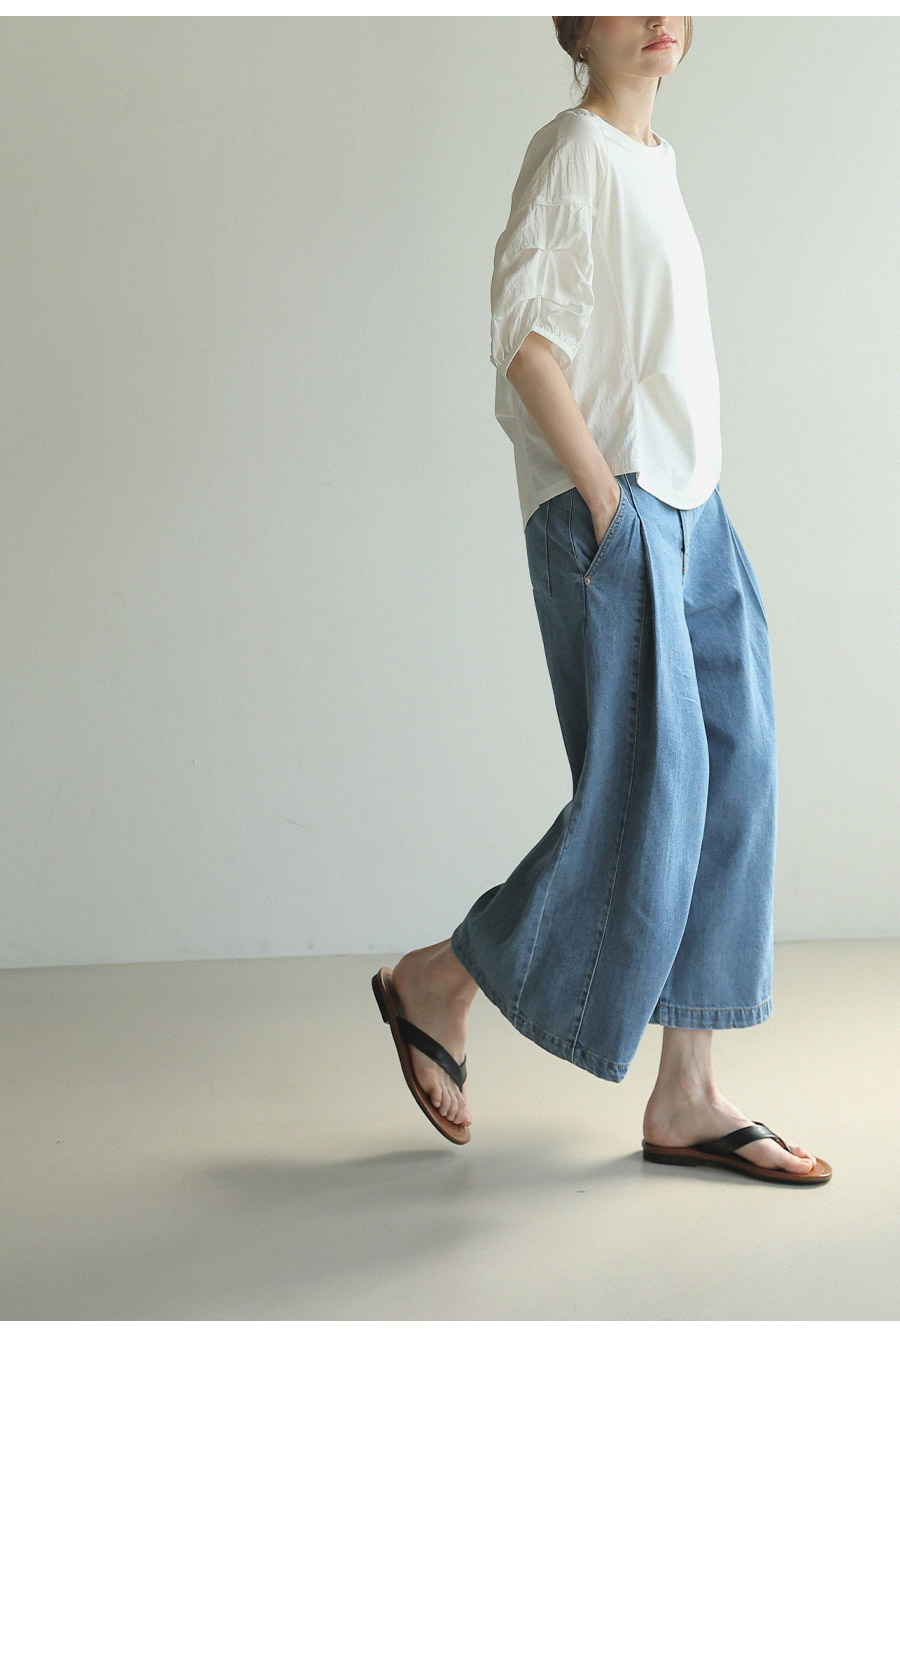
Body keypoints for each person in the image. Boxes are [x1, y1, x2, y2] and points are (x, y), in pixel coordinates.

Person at [372, 17, 830, 1185]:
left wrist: (676, 506)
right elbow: (524, 343)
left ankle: (688, 1093)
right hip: (616, 504)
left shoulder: (654, 162)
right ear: (575, 24)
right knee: (648, 787)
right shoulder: (572, 150)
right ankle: (439, 979)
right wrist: (607, 503)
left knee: (732, 774)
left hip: (695, 508)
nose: (657, 12)